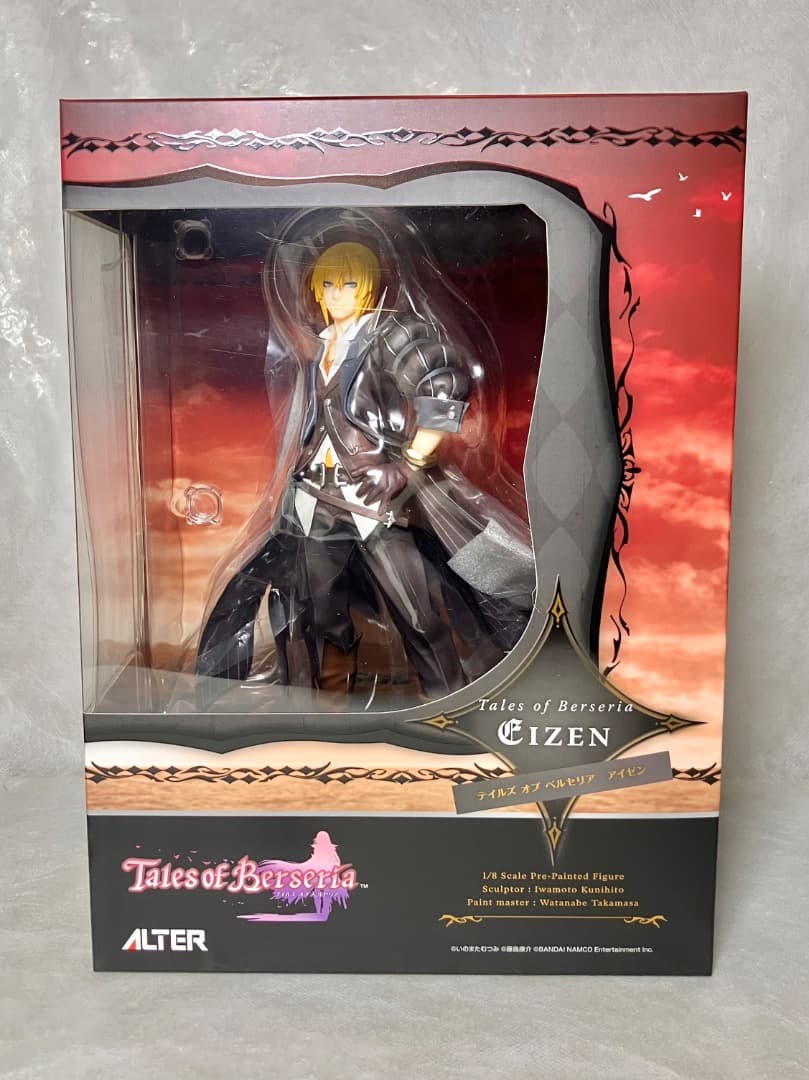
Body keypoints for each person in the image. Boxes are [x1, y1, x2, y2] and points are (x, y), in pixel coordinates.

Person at [195, 240, 533, 701]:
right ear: (316, 289)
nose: (338, 294)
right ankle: (327, 703)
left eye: (350, 284)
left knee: (415, 611)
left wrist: (409, 464)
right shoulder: (320, 345)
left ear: (369, 287)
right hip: (317, 496)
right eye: (329, 284)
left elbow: (445, 388)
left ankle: (445, 700)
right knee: (319, 614)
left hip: (373, 498)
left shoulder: (390, 335)